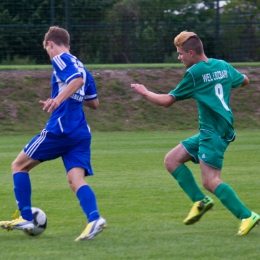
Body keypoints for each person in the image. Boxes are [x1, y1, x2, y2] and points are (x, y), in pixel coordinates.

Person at [131, 31, 260, 235]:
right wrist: (229, 79)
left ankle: (246, 215)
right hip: (217, 129)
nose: (179, 57)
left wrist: (145, 92)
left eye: (180, 53)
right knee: (172, 160)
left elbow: (167, 101)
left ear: (191, 53)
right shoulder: (222, 65)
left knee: (211, 180)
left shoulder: (194, 73)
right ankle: (200, 201)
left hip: (213, 132)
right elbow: (244, 81)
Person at [0, 26, 106, 241]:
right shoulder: (81, 65)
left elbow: (76, 81)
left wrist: (58, 99)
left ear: (50, 44)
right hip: (80, 133)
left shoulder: (60, 59)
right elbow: (94, 103)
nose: (49, 54)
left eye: (47, 49)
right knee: (75, 180)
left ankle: (26, 216)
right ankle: (94, 218)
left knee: (19, 165)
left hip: (60, 129)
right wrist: (73, 96)